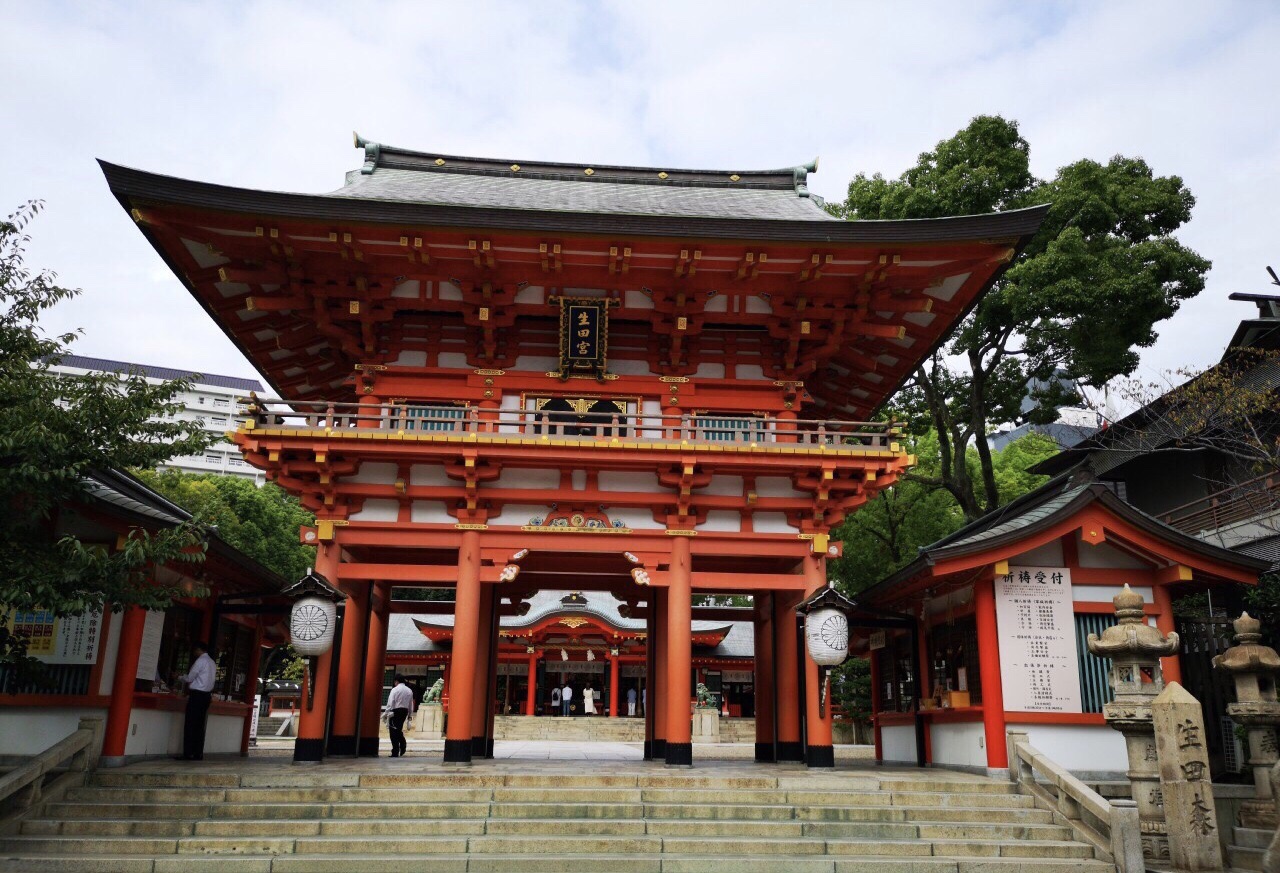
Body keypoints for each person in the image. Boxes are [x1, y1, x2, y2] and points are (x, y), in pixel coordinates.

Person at [175, 641, 216, 761]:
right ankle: (198, 753)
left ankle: (188, 753)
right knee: (200, 725)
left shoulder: (200, 661)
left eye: (195, 650)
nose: (194, 652)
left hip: (197, 695)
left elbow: (190, 678)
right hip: (206, 696)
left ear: (199, 650)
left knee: (190, 724)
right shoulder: (212, 662)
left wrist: (179, 677)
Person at [384, 674, 414, 758]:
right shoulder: (409, 690)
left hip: (395, 711)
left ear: (396, 681)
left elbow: (390, 703)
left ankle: (395, 751)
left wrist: (386, 713)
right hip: (404, 711)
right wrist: (410, 715)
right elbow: (411, 704)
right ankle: (402, 744)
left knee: (393, 731)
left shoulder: (395, 690)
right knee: (398, 729)